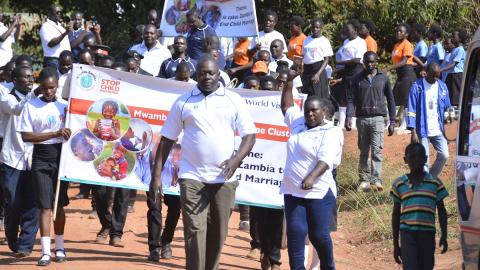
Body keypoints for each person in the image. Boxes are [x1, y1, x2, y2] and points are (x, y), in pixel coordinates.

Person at [149, 56, 256, 270]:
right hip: (192, 177)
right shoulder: (184, 101)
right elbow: (167, 140)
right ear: (195, 75)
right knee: (194, 231)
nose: (207, 77)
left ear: (219, 75)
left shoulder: (233, 99)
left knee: (218, 233)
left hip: (224, 179)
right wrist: (156, 176)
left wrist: (236, 160)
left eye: (211, 73)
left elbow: (250, 136)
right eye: (202, 73)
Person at [280, 69, 343, 270]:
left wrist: (311, 177)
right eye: (307, 110)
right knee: (296, 233)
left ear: (324, 112)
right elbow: (287, 106)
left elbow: (325, 160)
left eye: (315, 110)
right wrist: (288, 82)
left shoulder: (331, 131)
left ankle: (328, 266)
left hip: (318, 192)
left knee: (318, 235)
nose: (310, 113)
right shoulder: (298, 123)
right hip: (293, 191)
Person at [19, 67, 71, 266]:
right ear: (40, 86)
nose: (50, 91)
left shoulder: (65, 106)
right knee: (44, 206)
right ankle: (46, 252)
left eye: (53, 88)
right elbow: (26, 136)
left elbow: (75, 127)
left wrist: (65, 133)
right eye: (46, 88)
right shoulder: (31, 106)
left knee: (59, 205)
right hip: (41, 157)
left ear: (57, 86)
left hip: (61, 156)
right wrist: (54, 134)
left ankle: (60, 248)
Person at [0, 66, 41, 257]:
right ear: (15, 80)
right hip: (12, 159)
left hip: (34, 159)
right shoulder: (6, 97)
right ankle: (12, 237)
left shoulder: (39, 99)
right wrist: (35, 94)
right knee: (13, 203)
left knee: (33, 203)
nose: (31, 80)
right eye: (26, 77)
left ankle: (25, 245)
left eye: (32, 76)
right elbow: (17, 109)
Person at [390, 142, 448, 270]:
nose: (417, 160)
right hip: (407, 235)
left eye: (420, 157)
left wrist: (444, 235)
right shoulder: (399, 184)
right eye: (413, 157)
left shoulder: (435, 183)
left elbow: (442, 211)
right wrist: (395, 244)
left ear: (426, 159)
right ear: (406, 160)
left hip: (427, 234)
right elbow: (396, 214)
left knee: (426, 266)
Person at [346, 51, 396, 192]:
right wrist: (349, 116)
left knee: (377, 150)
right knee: (363, 151)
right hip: (362, 119)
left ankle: (376, 179)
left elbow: (391, 100)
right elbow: (351, 100)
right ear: (363, 62)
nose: (369, 64)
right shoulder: (357, 79)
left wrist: (392, 121)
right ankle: (364, 181)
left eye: (372, 61)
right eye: (367, 62)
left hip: (378, 119)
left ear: (376, 62)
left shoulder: (383, 78)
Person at [407, 62, 451, 178]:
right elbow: (411, 109)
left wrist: (449, 132)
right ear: (426, 73)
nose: (436, 78)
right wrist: (413, 131)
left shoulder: (443, 87)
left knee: (445, 155)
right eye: (433, 76)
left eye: (438, 75)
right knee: (424, 161)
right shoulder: (417, 86)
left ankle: (431, 177)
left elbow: (448, 109)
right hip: (422, 131)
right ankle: (425, 186)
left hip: (438, 130)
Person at [384, 23, 417, 134]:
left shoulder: (407, 44)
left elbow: (404, 62)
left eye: (401, 31)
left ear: (406, 34)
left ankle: (406, 125)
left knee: (406, 100)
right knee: (393, 98)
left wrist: (389, 68)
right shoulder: (396, 45)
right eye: (397, 31)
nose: (398, 33)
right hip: (400, 74)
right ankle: (391, 122)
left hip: (407, 73)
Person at [337, 19, 367, 131]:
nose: (346, 32)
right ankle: (348, 120)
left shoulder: (360, 42)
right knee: (348, 96)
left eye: (348, 30)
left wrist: (341, 63)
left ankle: (355, 121)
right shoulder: (346, 42)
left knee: (357, 96)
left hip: (357, 69)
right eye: (345, 30)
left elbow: (357, 59)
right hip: (347, 71)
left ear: (355, 30)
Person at [301, 18, 333, 98]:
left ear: (321, 28)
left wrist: (318, 74)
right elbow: (304, 56)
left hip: (318, 68)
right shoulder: (306, 40)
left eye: (317, 27)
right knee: (305, 94)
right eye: (313, 27)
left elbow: (326, 59)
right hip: (307, 69)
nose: (315, 29)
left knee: (317, 95)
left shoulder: (324, 41)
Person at [39, 4, 72, 70]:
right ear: (50, 13)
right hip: (53, 60)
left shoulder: (60, 26)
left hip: (64, 61)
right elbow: (51, 44)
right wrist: (65, 33)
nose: (59, 14)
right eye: (57, 12)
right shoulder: (46, 26)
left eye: (60, 12)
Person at [440, 29, 467, 107]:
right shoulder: (454, 50)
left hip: (457, 76)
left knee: (456, 98)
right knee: (450, 97)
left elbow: (453, 64)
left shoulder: (460, 50)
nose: (452, 38)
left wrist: (440, 70)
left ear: (460, 39)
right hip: (451, 75)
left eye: (454, 36)